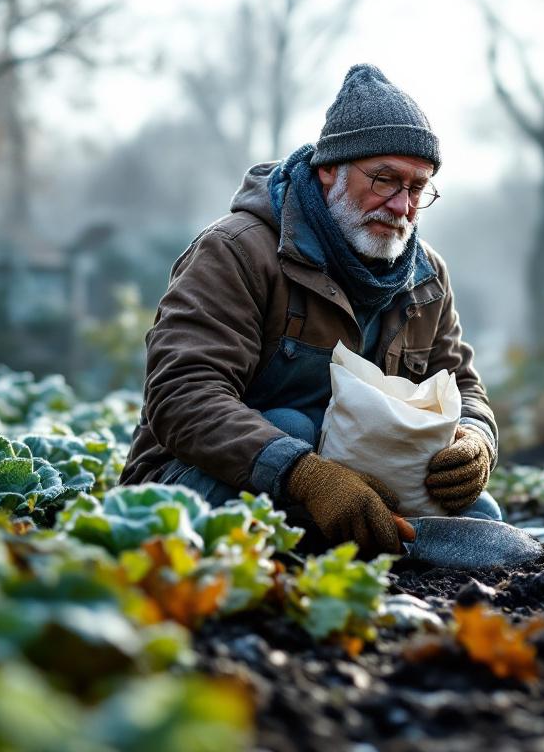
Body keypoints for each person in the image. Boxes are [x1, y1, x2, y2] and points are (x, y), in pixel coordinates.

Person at [121, 63, 500, 558]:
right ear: (329, 171)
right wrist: (305, 474)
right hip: (205, 482)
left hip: (368, 487)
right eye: (385, 180)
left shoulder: (426, 276)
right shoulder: (237, 251)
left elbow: (462, 384)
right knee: (291, 424)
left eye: (418, 187)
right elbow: (183, 394)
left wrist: (475, 441)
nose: (402, 205)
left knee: (482, 521)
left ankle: (346, 552)